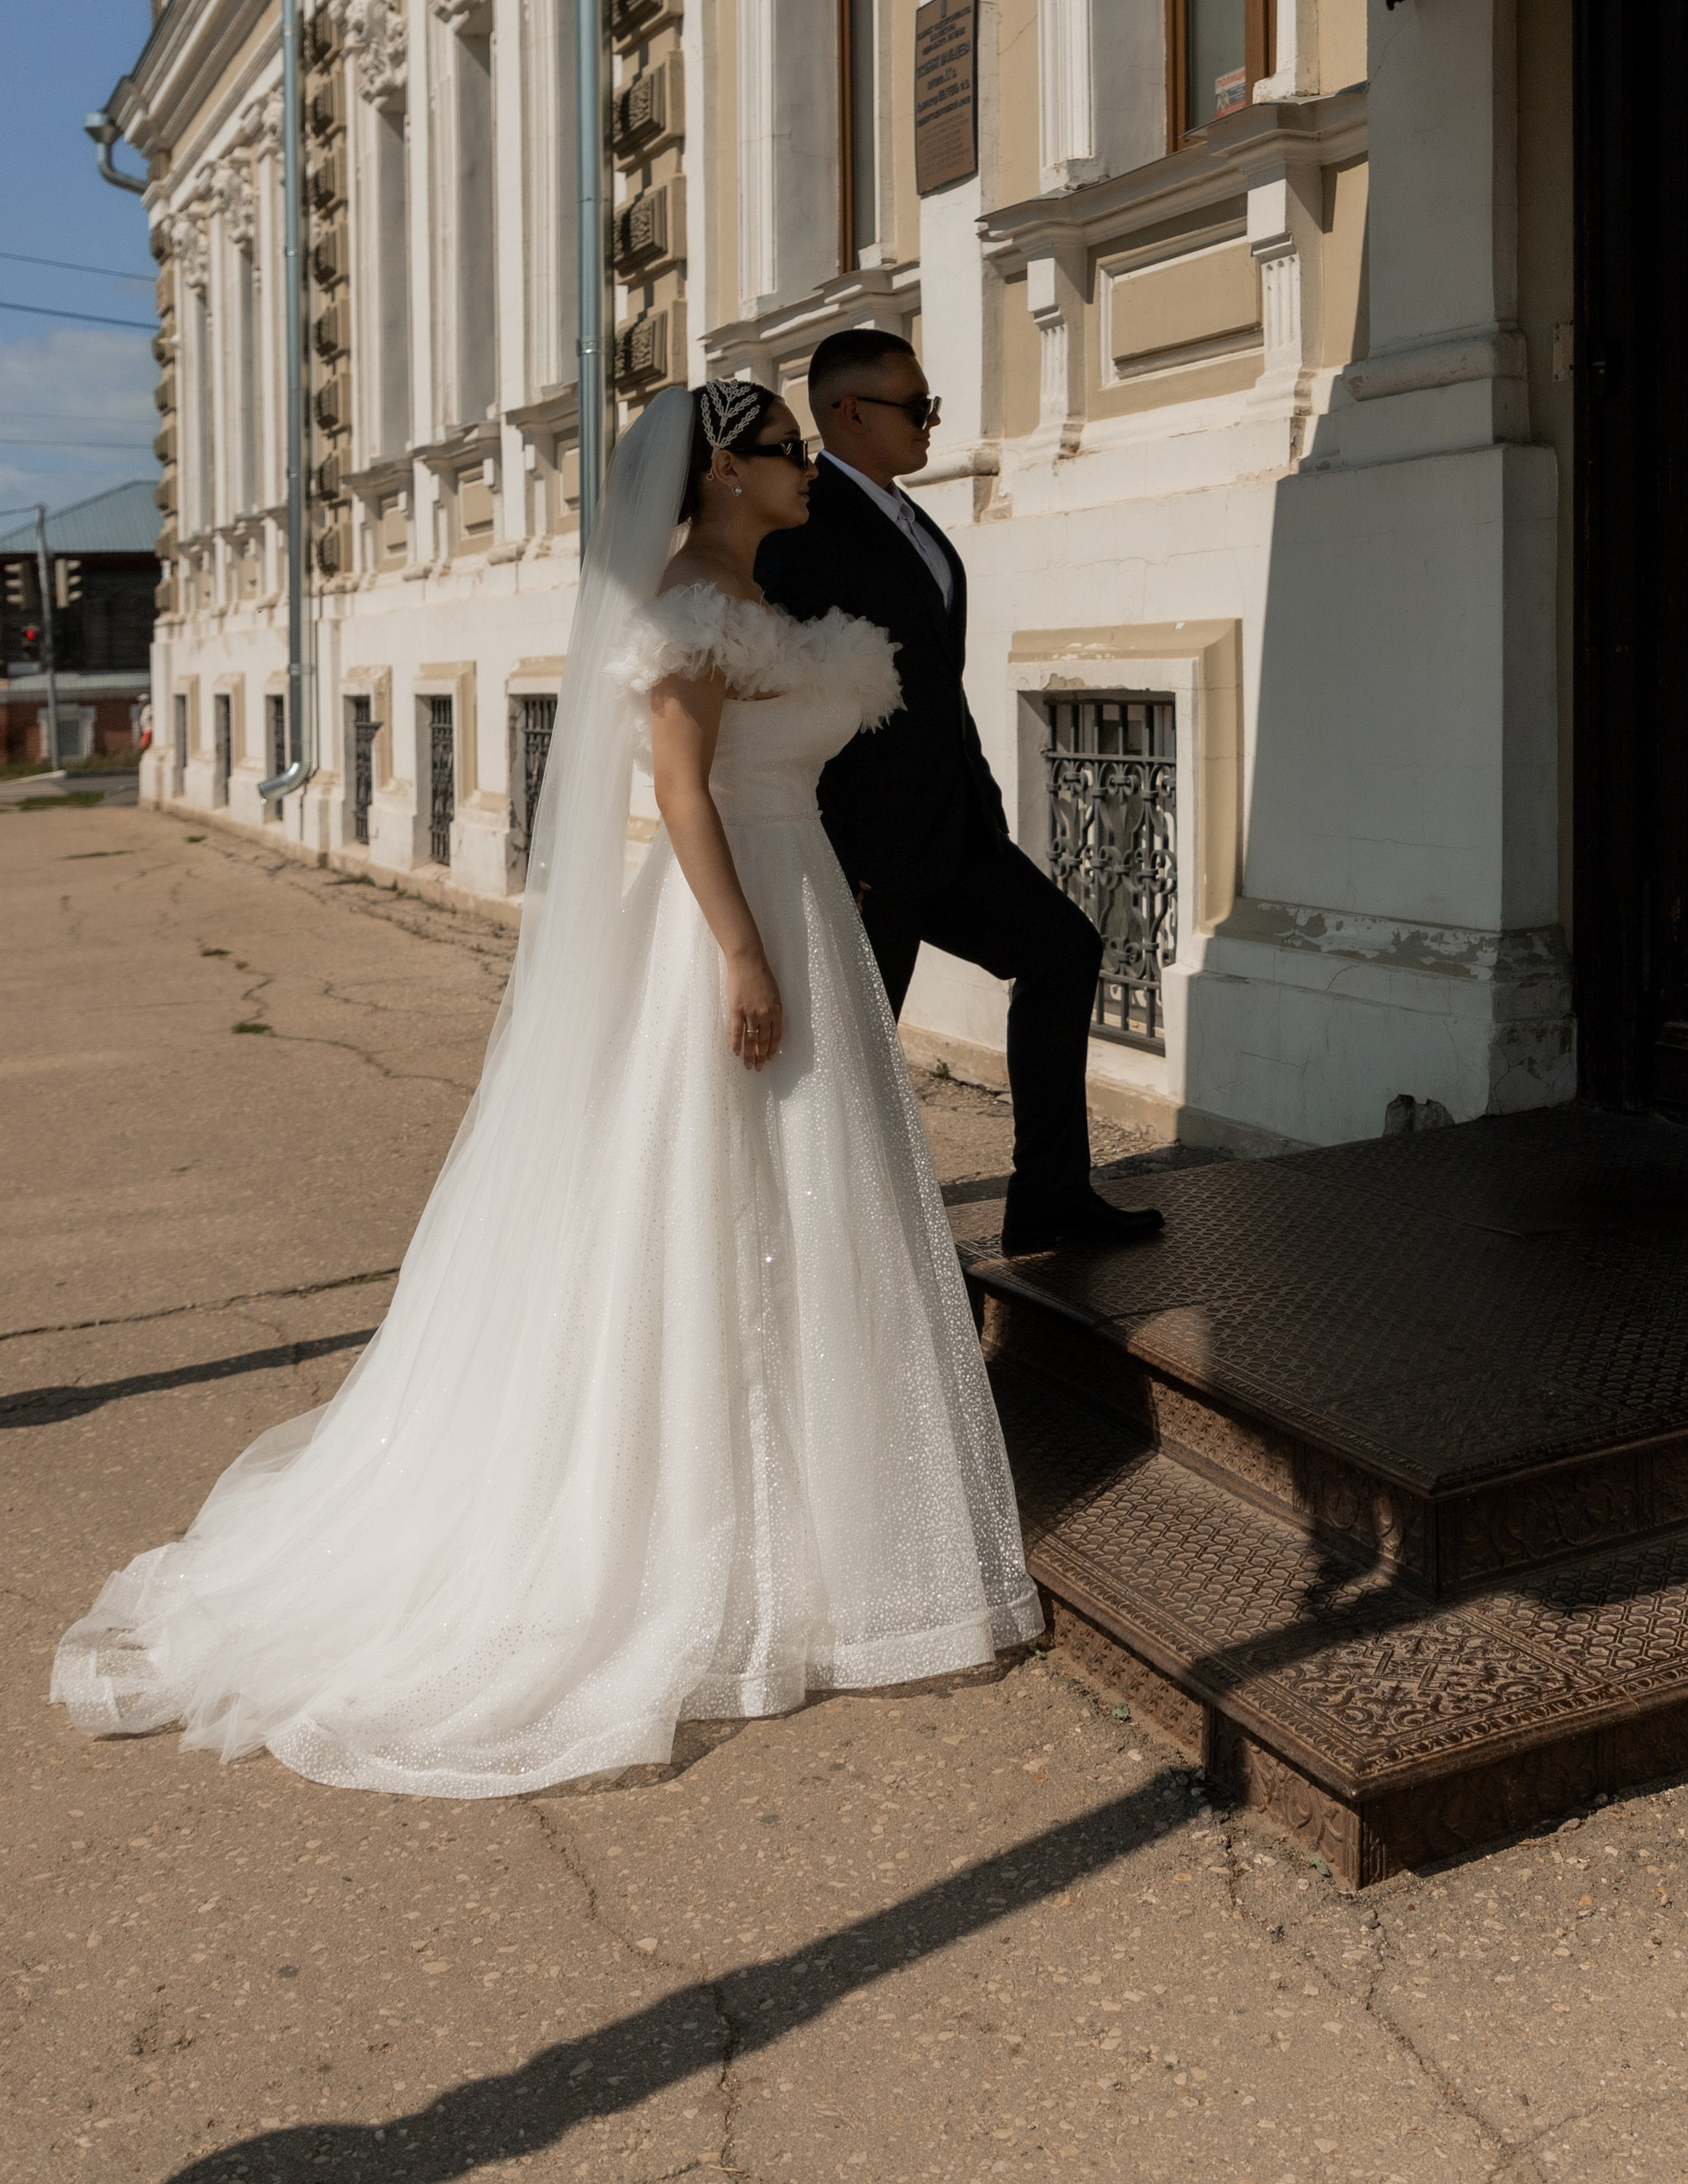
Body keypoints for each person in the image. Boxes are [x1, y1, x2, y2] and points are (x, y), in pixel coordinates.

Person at [50, 381, 1040, 1795]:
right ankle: (693, 1533)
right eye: (783, 452)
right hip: (730, 918)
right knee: (705, 1204)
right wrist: (745, 955)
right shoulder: (693, 604)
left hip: (798, 889)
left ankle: (824, 1538)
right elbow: (688, 792)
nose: (807, 471)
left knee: (810, 1206)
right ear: (720, 473)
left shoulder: (751, 593)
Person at [757, 327, 1164, 1258]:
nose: (931, 421)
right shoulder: (802, 529)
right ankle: (819, 1258)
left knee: (1063, 949)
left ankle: (1050, 1198)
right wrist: (828, 845)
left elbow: (935, 681)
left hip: (953, 830)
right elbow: (771, 689)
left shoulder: (913, 521)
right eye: (916, 405)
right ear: (849, 412)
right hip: (865, 856)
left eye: (931, 404)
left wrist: (978, 789)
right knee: (845, 1063)